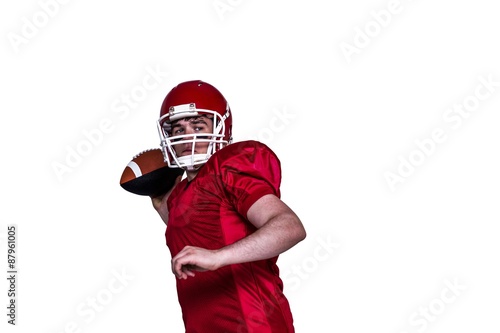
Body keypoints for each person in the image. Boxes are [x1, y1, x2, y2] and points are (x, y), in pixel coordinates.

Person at [151, 80, 306, 333]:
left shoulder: (229, 167)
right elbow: (203, 228)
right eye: (178, 130)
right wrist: (161, 205)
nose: (186, 136)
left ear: (220, 128)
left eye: (198, 125)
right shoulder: (180, 193)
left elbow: (290, 227)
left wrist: (218, 257)